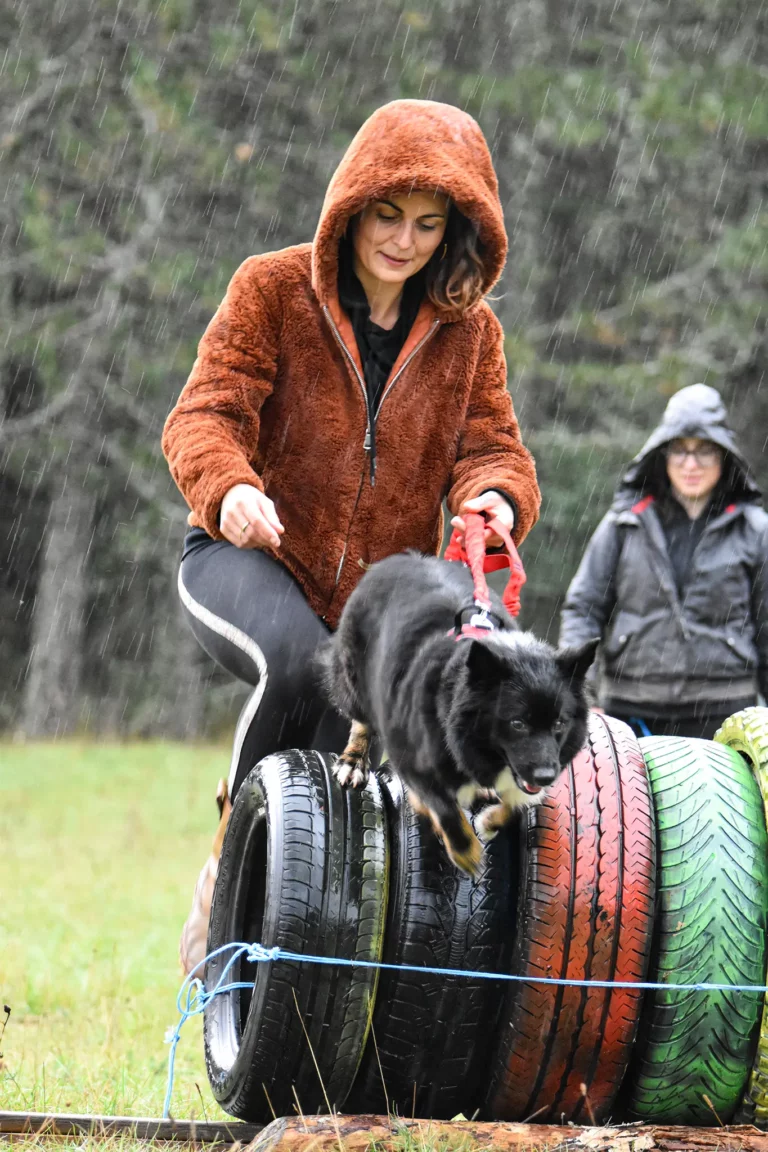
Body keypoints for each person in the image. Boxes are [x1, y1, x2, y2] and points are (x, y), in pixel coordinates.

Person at [162, 99, 541, 972]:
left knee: (367, 745)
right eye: (386, 214)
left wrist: (492, 500)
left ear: (455, 233)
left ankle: (292, 937)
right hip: (240, 556)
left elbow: (495, 449)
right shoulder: (272, 288)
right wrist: (230, 491)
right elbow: (202, 415)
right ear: (353, 204)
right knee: (302, 668)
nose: (402, 241)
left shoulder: (470, 334)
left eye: (427, 224)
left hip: (373, 608)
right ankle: (225, 875)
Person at [559, 383, 768, 742]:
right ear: (662, 455)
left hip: (726, 711)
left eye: (705, 451)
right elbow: (584, 609)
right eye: (679, 451)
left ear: (723, 456)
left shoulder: (755, 530)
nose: (691, 464)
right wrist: (580, 693)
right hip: (630, 711)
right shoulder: (624, 524)